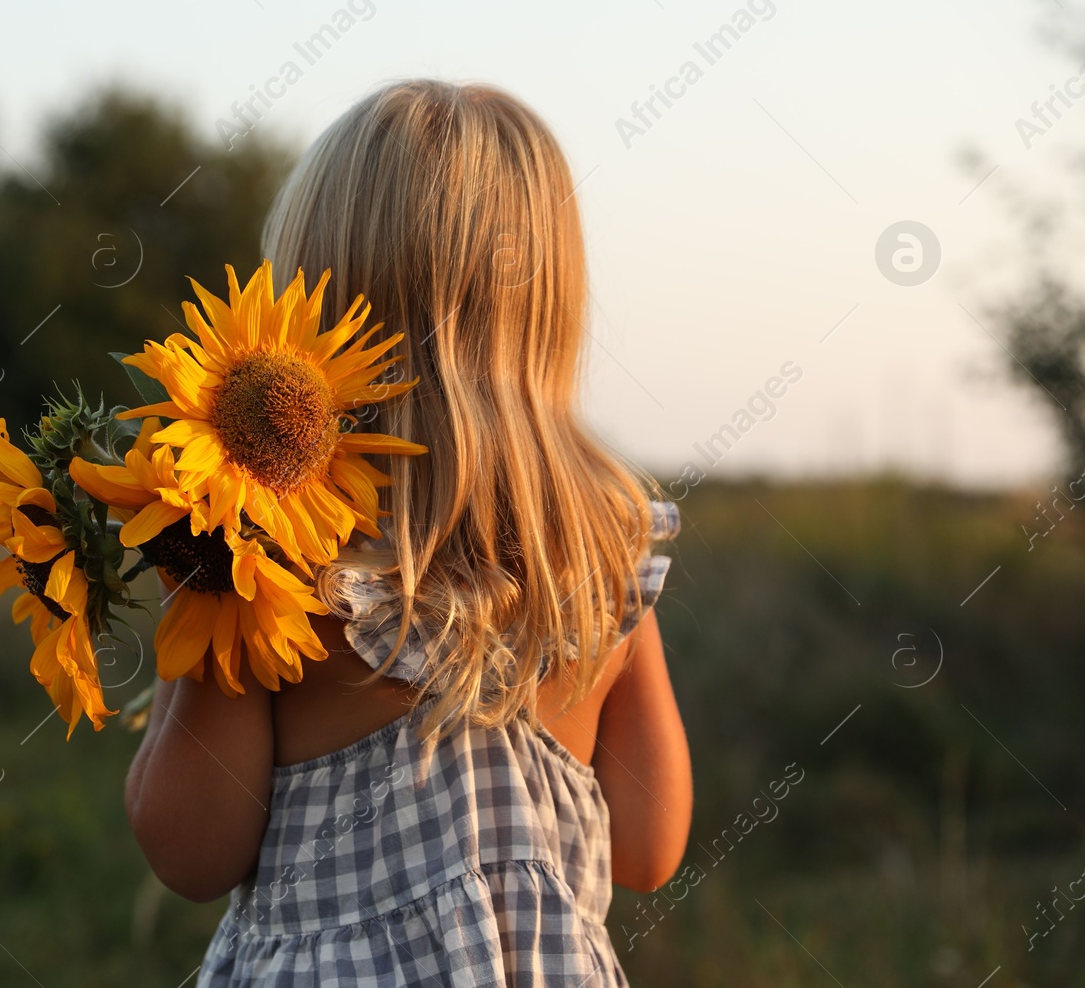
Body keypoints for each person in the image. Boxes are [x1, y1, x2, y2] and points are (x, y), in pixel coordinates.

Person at [125, 79, 693, 986]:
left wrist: (199, 590)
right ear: (550, 306)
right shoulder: (598, 552)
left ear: (306, 294)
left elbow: (190, 852)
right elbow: (651, 846)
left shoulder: (274, 554)